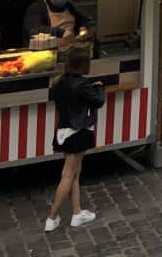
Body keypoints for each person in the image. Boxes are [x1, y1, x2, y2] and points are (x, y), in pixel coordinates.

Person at [44, 51, 105, 233]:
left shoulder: (59, 82)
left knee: (75, 175)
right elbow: (98, 101)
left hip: (63, 130)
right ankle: (52, 217)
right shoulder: (82, 84)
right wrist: (100, 87)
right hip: (78, 132)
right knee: (69, 175)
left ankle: (77, 213)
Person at [23, 0, 89, 43]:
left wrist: (82, 28)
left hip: (71, 48)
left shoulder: (69, 6)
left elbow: (80, 18)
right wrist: (61, 32)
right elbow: (35, 30)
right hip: (50, 51)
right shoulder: (36, 8)